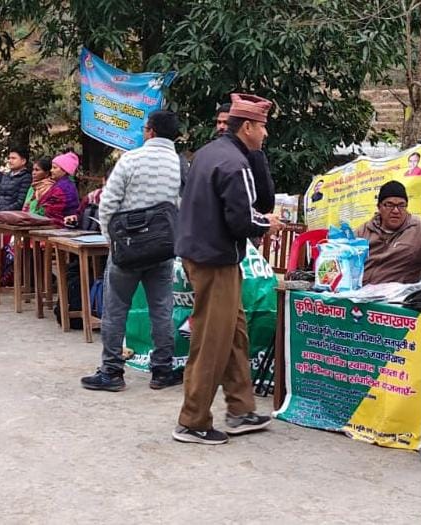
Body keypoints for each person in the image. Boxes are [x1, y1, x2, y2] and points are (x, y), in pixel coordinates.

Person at [174, 93, 284, 445]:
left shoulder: (208, 153)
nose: (265, 134)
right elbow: (242, 219)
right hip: (215, 261)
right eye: (263, 127)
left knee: (235, 333)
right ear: (248, 126)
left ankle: (240, 409)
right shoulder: (235, 164)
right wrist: (268, 223)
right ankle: (192, 421)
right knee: (212, 340)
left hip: (202, 254)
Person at [81, 110, 182, 392]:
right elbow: (184, 207)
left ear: (150, 131)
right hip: (163, 250)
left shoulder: (130, 160)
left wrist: (110, 240)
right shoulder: (181, 165)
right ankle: (162, 370)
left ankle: (112, 372)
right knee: (162, 309)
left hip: (126, 249)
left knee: (116, 310)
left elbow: (108, 203)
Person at [34, 152, 80, 227]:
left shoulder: (63, 188)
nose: (51, 170)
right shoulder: (62, 184)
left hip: (59, 226)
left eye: (55, 168)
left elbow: (50, 211)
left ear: (64, 170)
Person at [0, 146, 32, 212]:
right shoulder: (5, 176)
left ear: (23, 161)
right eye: (9, 158)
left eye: (13, 158)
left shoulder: (26, 178)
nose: (10, 161)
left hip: (11, 215)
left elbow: (20, 202)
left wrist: (1, 212)